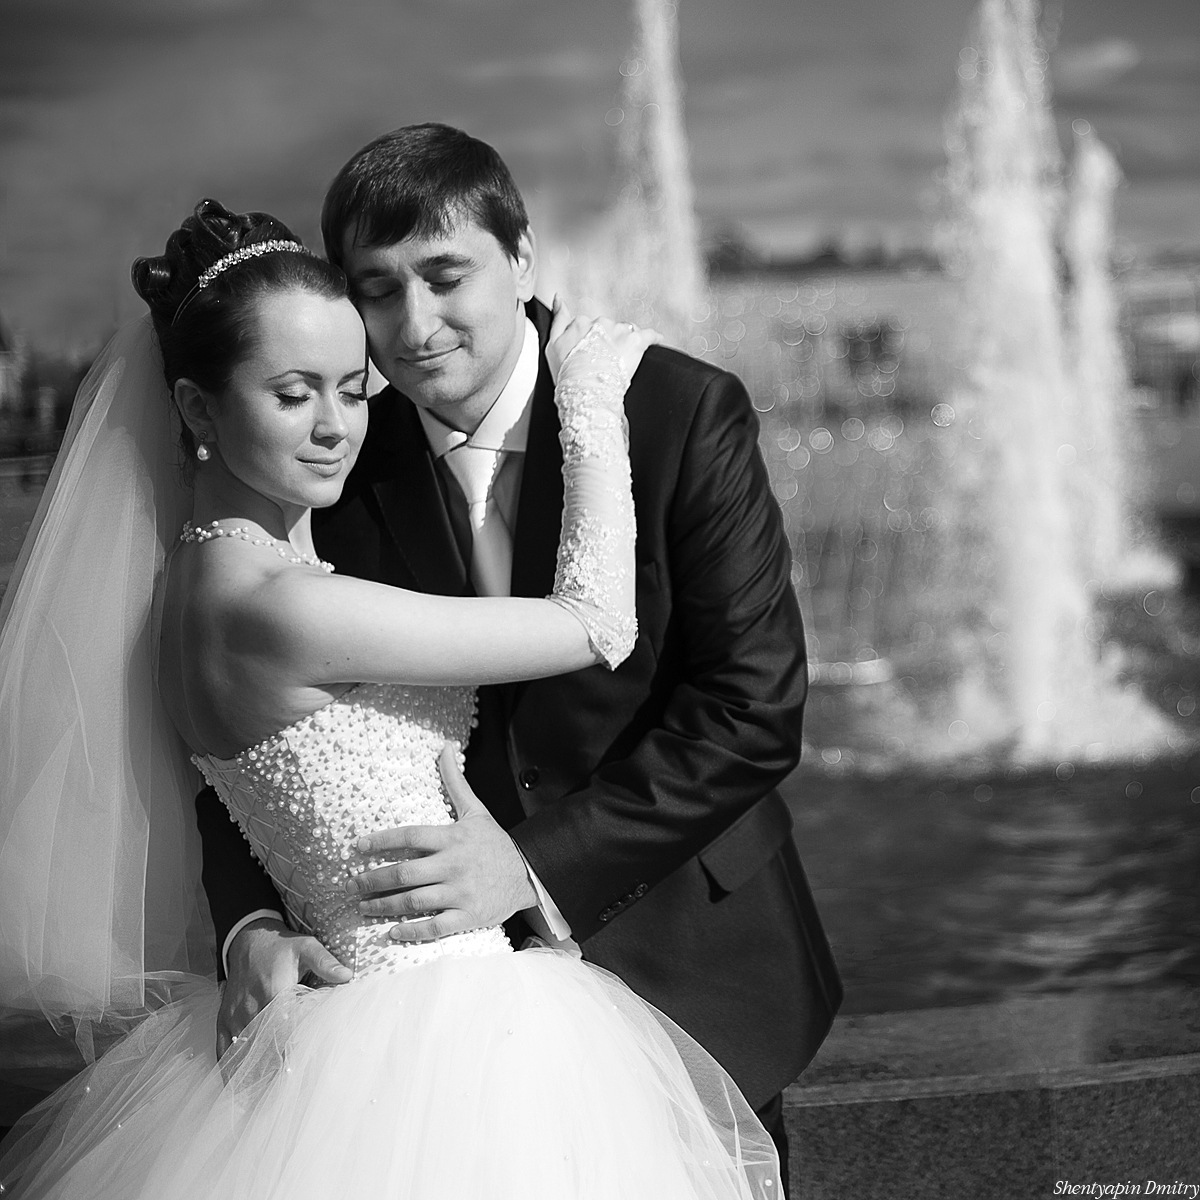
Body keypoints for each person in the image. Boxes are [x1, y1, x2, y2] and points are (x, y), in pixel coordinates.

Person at [0, 199, 780, 1197]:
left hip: (359, 1029)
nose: (336, 427)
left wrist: (251, 930)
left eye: (352, 389)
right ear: (196, 410)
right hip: (445, 1035)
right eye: (293, 395)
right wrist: (589, 392)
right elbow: (593, 623)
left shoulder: (194, 586)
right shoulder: (289, 608)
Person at [200, 124, 842, 1185]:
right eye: (377, 289)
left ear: (524, 256)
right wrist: (251, 926)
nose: (414, 327)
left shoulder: (675, 410)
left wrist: (534, 866)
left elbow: (753, 708)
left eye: (446, 276)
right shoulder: (336, 450)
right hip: (438, 1030)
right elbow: (244, 728)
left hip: (696, 957)